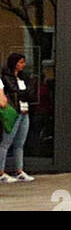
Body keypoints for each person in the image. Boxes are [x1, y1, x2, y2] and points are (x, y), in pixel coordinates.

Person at [0, 52, 34, 183]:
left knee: (20, 142)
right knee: (6, 142)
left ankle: (19, 170)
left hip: (25, 111)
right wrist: (24, 94)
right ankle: (1, 171)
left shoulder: (23, 77)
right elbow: (15, 92)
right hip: (14, 111)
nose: (23, 65)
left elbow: (30, 93)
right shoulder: (7, 77)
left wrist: (24, 94)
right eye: (20, 62)